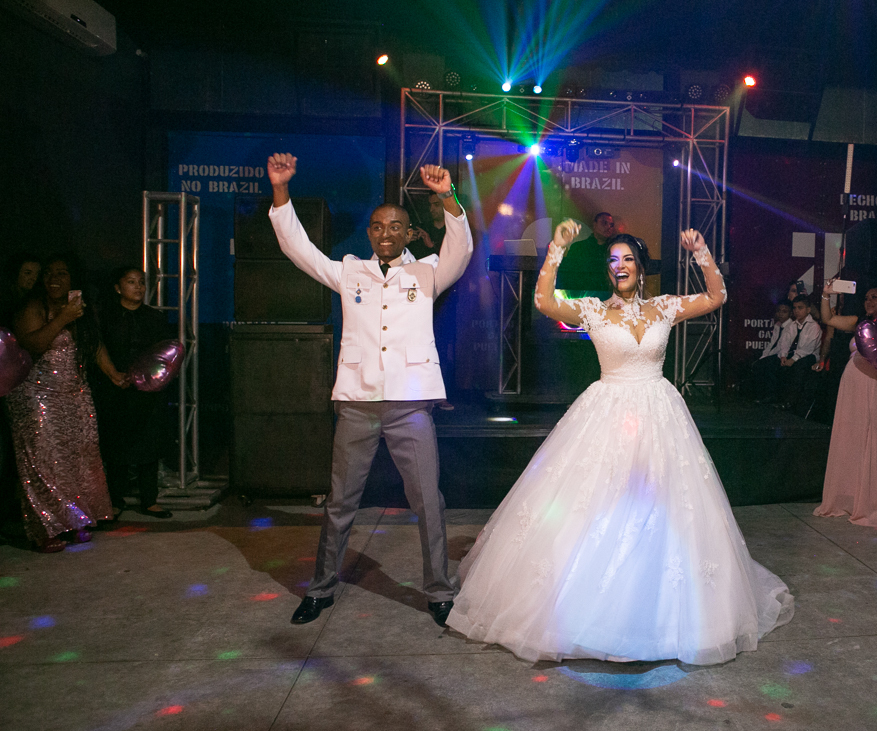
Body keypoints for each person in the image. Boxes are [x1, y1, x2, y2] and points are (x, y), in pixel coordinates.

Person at [446, 221, 794, 665]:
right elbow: (543, 301)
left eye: (628, 258)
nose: (619, 265)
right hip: (606, 411)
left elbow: (716, 297)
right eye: (613, 260)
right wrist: (557, 249)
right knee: (596, 503)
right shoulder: (592, 310)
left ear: (641, 268)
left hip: (658, 412)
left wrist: (701, 252)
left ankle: (658, 613)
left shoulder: (665, 307)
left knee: (664, 506)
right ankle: (593, 610)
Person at [266, 153, 473, 627]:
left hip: (410, 403)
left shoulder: (428, 271)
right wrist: (281, 191)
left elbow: (460, 248)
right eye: (378, 226)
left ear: (408, 233)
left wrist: (447, 196)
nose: (385, 233)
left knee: (427, 500)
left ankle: (439, 591)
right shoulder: (349, 271)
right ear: (369, 233)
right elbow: (298, 248)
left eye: (395, 227)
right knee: (341, 502)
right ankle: (320, 589)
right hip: (357, 404)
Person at [9, 256, 123, 551]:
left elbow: (94, 345)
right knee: (44, 462)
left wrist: (113, 374)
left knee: (79, 459)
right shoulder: (34, 308)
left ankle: (75, 520)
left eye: (61, 273)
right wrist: (62, 318)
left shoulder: (80, 309)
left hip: (75, 393)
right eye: (48, 274)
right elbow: (31, 344)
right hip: (37, 394)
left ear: (74, 279)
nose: (54, 278)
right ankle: (45, 528)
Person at [814, 282, 877, 527]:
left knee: (875, 439)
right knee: (851, 438)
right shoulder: (859, 322)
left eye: (875, 297)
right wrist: (826, 294)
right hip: (853, 385)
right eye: (866, 297)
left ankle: (874, 501)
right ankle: (848, 497)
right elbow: (828, 319)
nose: (869, 302)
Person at [92, 266, 173, 519]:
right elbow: (97, 348)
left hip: (147, 391)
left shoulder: (154, 318)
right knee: (117, 445)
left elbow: (163, 355)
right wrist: (115, 376)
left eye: (141, 282)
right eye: (131, 282)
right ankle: (116, 500)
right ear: (118, 287)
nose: (138, 287)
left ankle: (150, 500)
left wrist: (145, 379)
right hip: (115, 388)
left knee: (149, 442)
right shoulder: (106, 317)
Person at [779, 295, 823, 409]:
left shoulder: (814, 326)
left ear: (808, 310)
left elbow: (808, 348)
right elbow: (785, 342)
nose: (796, 311)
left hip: (809, 356)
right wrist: (783, 356)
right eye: (794, 308)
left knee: (800, 366)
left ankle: (791, 401)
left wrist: (793, 360)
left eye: (800, 308)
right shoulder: (792, 325)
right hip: (794, 354)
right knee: (774, 363)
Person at [557, 212, 617, 294]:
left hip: (607, 297)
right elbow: (569, 276)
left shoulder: (615, 250)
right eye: (604, 223)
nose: (608, 227)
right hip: (581, 297)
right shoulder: (578, 248)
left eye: (611, 225)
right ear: (594, 224)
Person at [748, 302, 796, 401]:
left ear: (790, 313)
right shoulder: (778, 325)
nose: (780, 314)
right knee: (755, 360)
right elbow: (772, 343)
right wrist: (764, 355)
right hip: (775, 353)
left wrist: (768, 357)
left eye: (784, 312)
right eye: (779, 311)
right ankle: (757, 394)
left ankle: (770, 395)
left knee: (767, 365)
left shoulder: (791, 326)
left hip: (784, 355)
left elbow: (782, 346)